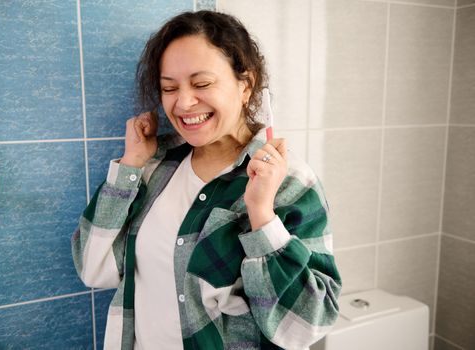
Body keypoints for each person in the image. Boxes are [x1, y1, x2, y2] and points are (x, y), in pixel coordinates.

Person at [72, 10, 341, 350]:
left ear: (246, 84)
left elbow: (306, 326)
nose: (183, 102)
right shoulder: (156, 167)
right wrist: (130, 164)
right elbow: (93, 269)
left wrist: (262, 216)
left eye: (201, 84)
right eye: (169, 88)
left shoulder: (290, 184)